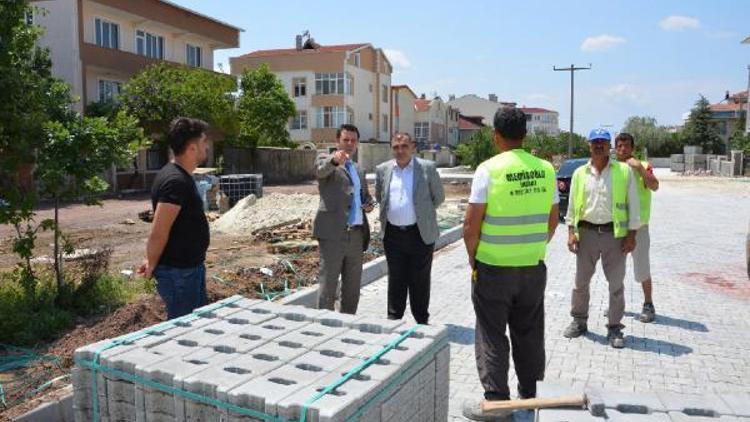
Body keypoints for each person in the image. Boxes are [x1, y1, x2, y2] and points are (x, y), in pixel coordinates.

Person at [462, 107, 559, 419]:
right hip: (532, 268)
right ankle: (530, 395)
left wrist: (473, 259)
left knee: (491, 333)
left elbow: (470, 225)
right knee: (529, 332)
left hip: (492, 268)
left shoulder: (488, 170)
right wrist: (530, 246)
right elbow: (553, 220)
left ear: (496, 137)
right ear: (525, 135)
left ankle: (497, 401)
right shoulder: (545, 169)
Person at [563, 128, 640, 349]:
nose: (599, 145)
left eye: (603, 142)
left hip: (614, 236)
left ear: (609, 146)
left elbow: (633, 206)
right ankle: (579, 321)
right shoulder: (579, 173)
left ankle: (615, 327)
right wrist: (571, 232)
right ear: (589, 145)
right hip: (585, 234)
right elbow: (571, 206)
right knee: (581, 283)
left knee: (616, 284)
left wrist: (631, 235)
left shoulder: (624, 171)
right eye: (595, 142)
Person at [138, 117, 210, 319]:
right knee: (184, 334)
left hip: (188, 271)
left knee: (197, 329)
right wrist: (151, 262)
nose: (207, 146)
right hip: (180, 274)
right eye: (204, 141)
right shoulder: (175, 181)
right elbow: (159, 230)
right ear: (192, 148)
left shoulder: (179, 176)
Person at [375, 132, 445, 325]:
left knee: (419, 280)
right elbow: (380, 197)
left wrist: (421, 213)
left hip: (419, 234)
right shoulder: (383, 170)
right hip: (393, 235)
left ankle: (421, 320)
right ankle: (394, 318)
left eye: (404, 146)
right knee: (396, 278)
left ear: (413, 147)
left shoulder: (427, 168)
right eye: (396, 147)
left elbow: (438, 197)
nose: (400, 150)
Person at [312, 124, 374, 314]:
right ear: (337, 141)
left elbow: (364, 196)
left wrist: (369, 203)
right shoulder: (326, 160)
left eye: (353, 140)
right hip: (333, 235)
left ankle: (348, 323)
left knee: (352, 289)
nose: (349, 144)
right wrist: (333, 161)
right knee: (328, 286)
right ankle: (324, 326)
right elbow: (319, 171)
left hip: (356, 235)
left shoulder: (358, 169)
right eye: (345, 140)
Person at [615, 132, 659, 322]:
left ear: (632, 148)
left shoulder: (644, 166)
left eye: (626, 146)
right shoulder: (613, 168)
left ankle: (648, 304)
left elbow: (655, 185)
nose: (623, 149)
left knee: (642, 268)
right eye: (619, 146)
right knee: (616, 270)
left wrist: (640, 168)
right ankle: (617, 305)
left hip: (639, 227)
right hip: (618, 227)